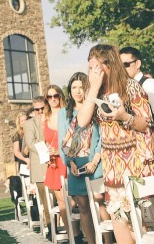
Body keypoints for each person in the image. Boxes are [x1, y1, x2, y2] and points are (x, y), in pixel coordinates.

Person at [77, 44, 154, 244]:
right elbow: (81, 121)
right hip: (112, 166)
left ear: (110, 65)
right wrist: (93, 88)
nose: (93, 73)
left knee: (138, 227)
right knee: (118, 220)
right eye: (90, 68)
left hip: (135, 164)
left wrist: (124, 116)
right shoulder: (94, 92)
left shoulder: (131, 87)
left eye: (96, 68)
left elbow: (145, 124)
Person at [58, 72, 107, 244]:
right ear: (69, 90)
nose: (78, 91)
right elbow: (62, 141)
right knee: (83, 207)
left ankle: (108, 241)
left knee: (101, 203)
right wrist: (69, 163)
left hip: (96, 163)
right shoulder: (64, 113)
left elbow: (103, 137)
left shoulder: (96, 107)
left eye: (81, 87)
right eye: (74, 87)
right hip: (75, 166)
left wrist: (95, 161)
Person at [120, 46, 154, 173]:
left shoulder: (149, 85)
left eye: (126, 64)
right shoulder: (127, 87)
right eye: (119, 65)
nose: (122, 69)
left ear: (138, 63)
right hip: (139, 153)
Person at [42, 85, 70, 235]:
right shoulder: (45, 118)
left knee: (72, 201)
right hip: (53, 164)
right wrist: (46, 155)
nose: (53, 99)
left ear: (60, 96)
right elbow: (45, 141)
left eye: (56, 96)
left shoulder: (66, 114)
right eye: (49, 97)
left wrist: (59, 151)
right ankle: (71, 234)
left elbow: (75, 140)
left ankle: (78, 231)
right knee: (61, 202)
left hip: (66, 160)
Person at [23, 96, 52, 233]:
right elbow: (31, 142)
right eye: (37, 109)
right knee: (46, 202)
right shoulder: (29, 124)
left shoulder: (53, 119)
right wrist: (49, 150)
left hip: (57, 165)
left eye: (42, 108)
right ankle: (52, 230)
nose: (40, 111)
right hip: (40, 167)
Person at [12, 111, 30, 176]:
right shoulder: (17, 134)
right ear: (19, 123)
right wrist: (26, 159)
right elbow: (16, 151)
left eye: (25, 120)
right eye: (22, 121)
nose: (24, 122)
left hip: (35, 161)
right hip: (24, 162)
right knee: (26, 183)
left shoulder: (33, 131)